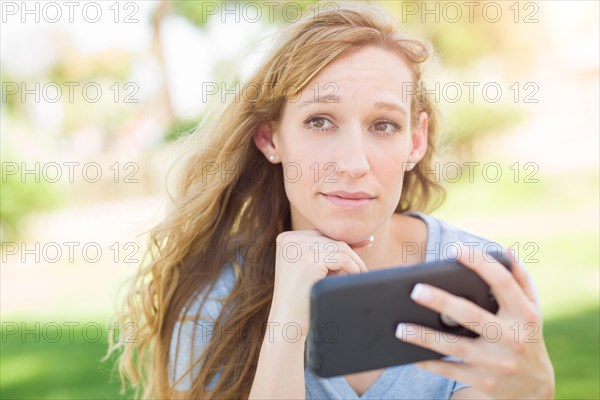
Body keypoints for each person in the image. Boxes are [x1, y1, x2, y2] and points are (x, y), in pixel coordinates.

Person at [109, 1, 555, 399]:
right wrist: (287, 321)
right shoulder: (214, 301)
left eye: (383, 125)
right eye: (320, 121)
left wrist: (532, 394)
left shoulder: (481, 285)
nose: (353, 163)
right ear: (270, 138)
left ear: (415, 142)